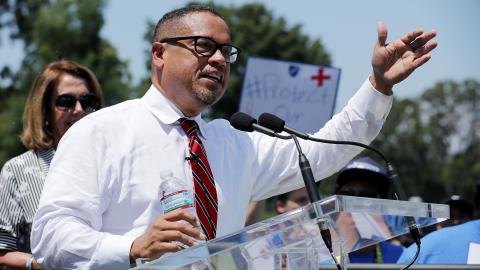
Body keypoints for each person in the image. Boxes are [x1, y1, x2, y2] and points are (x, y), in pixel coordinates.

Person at [31, 5, 437, 269]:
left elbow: (323, 153)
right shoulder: (100, 132)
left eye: (227, 52)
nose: (220, 60)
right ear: (159, 53)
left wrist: (378, 86)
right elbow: (51, 238)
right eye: (203, 47)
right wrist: (133, 247)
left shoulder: (234, 141)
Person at [0, 60, 103, 269]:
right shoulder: (17, 171)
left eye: (87, 100)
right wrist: (36, 263)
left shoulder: (112, 163)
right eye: (66, 101)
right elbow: (2, 251)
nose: (79, 109)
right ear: (45, 111)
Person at [334, 156, 405, 264]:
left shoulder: (404, 258)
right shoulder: (313, 258)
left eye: (367, 196)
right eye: (347, 194)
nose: (355, 202)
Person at [397, 181, 480, 264]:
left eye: (461, 216)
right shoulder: (418, 251)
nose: (456, 221)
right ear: (438, 223)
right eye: (450, 216)